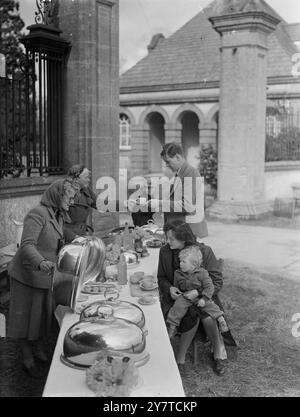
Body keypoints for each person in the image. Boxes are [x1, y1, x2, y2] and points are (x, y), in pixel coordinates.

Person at [8, 179, 78, 378]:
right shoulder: (37, 213)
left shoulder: (56, 214)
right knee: (24, 318)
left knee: (41, 315)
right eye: (70, 197)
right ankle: (27, 358)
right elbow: (27, 245)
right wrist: (40, 263)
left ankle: (39, 350)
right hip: (27, 273)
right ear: (57, 195)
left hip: (44, 275)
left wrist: (80, 238)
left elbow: (60, 232)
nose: (72, 202)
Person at [157, 220, 237, 376]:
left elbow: (216, 282)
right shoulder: (164, 252)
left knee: (206, 315)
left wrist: (199, 293)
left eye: (171, 238)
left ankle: (218, 354)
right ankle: (180, 360)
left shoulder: (205, 251)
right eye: (167, 238)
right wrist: (170, 288)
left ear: (184, 237)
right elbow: (161, 277)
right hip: (178, 300)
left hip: (204, 297)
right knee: (190, 314)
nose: (168, 242)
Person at [146, 142, 208, 239]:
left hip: (187, 231)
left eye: (168, 161)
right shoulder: (181, 173)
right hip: (181, 230)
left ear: (178, 157)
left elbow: (186, 205)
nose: (167, 165)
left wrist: (158, 203)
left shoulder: (190, 173)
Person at [167, 245, 228, 338]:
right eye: (180, 261)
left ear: (193, 264)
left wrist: (204, 299)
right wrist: (176, 292)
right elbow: (176, 286)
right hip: (186, 296)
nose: (180, 264)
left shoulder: (202, 273)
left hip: (200, 296)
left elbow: (210, 287)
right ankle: (172, 327)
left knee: (211, 306)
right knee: (177, 307)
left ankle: (221, 320)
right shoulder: (177, 273)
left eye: (184, 262)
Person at [65, 165, 97, 236]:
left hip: (82, 234)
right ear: (76, 179)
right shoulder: (65, 192)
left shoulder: (86, 190)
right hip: (68, 236)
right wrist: (73, 237)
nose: (88, 180)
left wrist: (123, 204)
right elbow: (58, 222)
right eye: (86, 178)